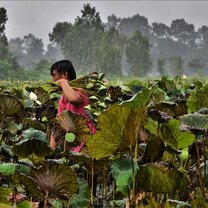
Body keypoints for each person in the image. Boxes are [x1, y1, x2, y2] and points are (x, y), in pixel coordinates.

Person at [50, 59, 96, 150]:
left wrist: (63, 82)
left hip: (88, 142)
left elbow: (73, 99)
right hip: (73, 143)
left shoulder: (81, 91)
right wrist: (50, 151)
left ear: (65, 75)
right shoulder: (63, 97)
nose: (53, 80)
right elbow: (59, 124)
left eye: (54, 75)